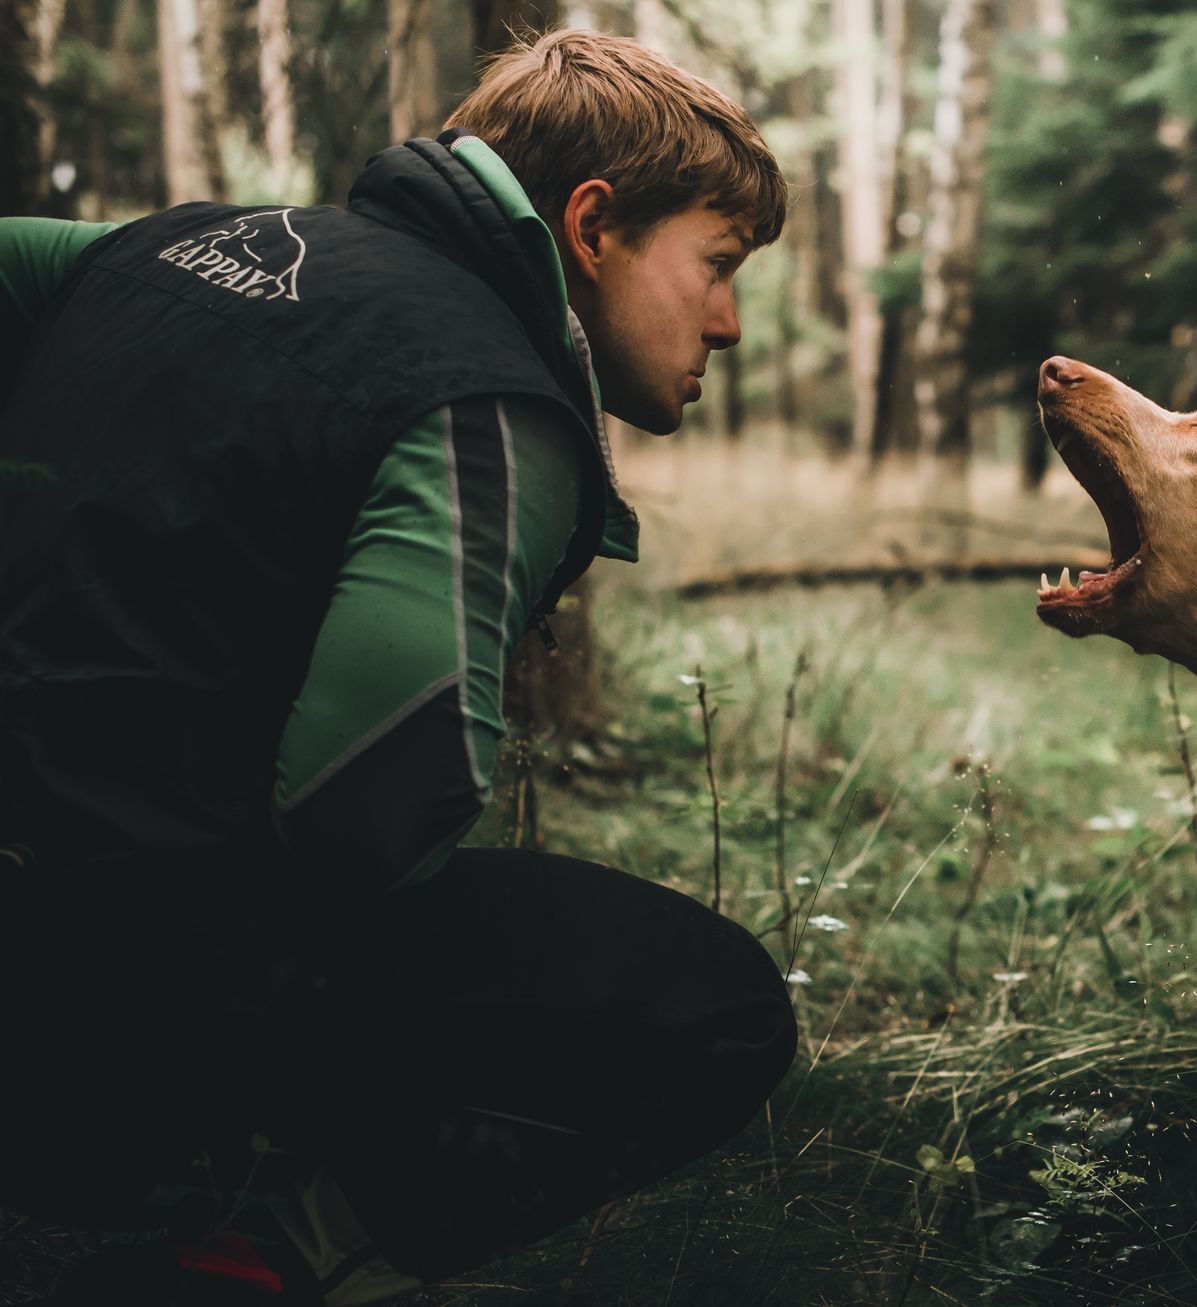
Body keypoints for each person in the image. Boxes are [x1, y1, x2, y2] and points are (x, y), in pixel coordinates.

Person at [0, 30, 795, 1306]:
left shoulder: (160, 245)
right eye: (715, 263)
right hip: (90, 1044)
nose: (731, 322)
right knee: (716, 1005)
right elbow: (368, 808)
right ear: (591, 225)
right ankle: (238, 1253)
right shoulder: (487, 405)